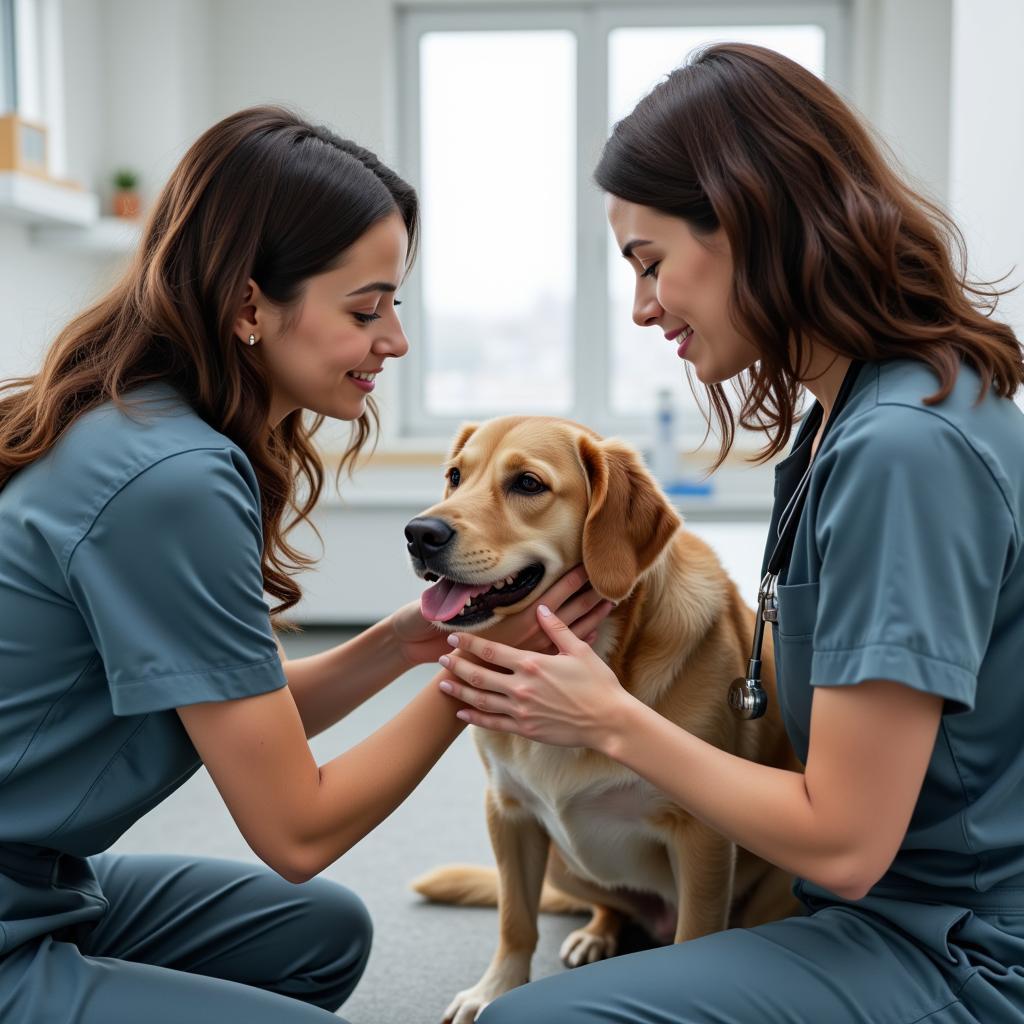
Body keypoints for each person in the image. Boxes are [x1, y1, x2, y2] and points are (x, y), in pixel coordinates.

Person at [435, 43, 1024, 1023]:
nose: (641, 306)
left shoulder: (902, 453)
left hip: (953, 943)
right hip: (880, 905)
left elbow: (842, 840)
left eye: (651, 262)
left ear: (751, 220)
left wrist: (611, 720)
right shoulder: (854, 420)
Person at [0, 106, 613, 1023]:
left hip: (45, 880)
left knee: (320, 934)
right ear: (249, 306)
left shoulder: (141, 422)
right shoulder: (174, 479)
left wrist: (417, 639)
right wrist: (489, 670)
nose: (395, 339)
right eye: (367, 308)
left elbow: (242, 710)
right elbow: (297, 827)